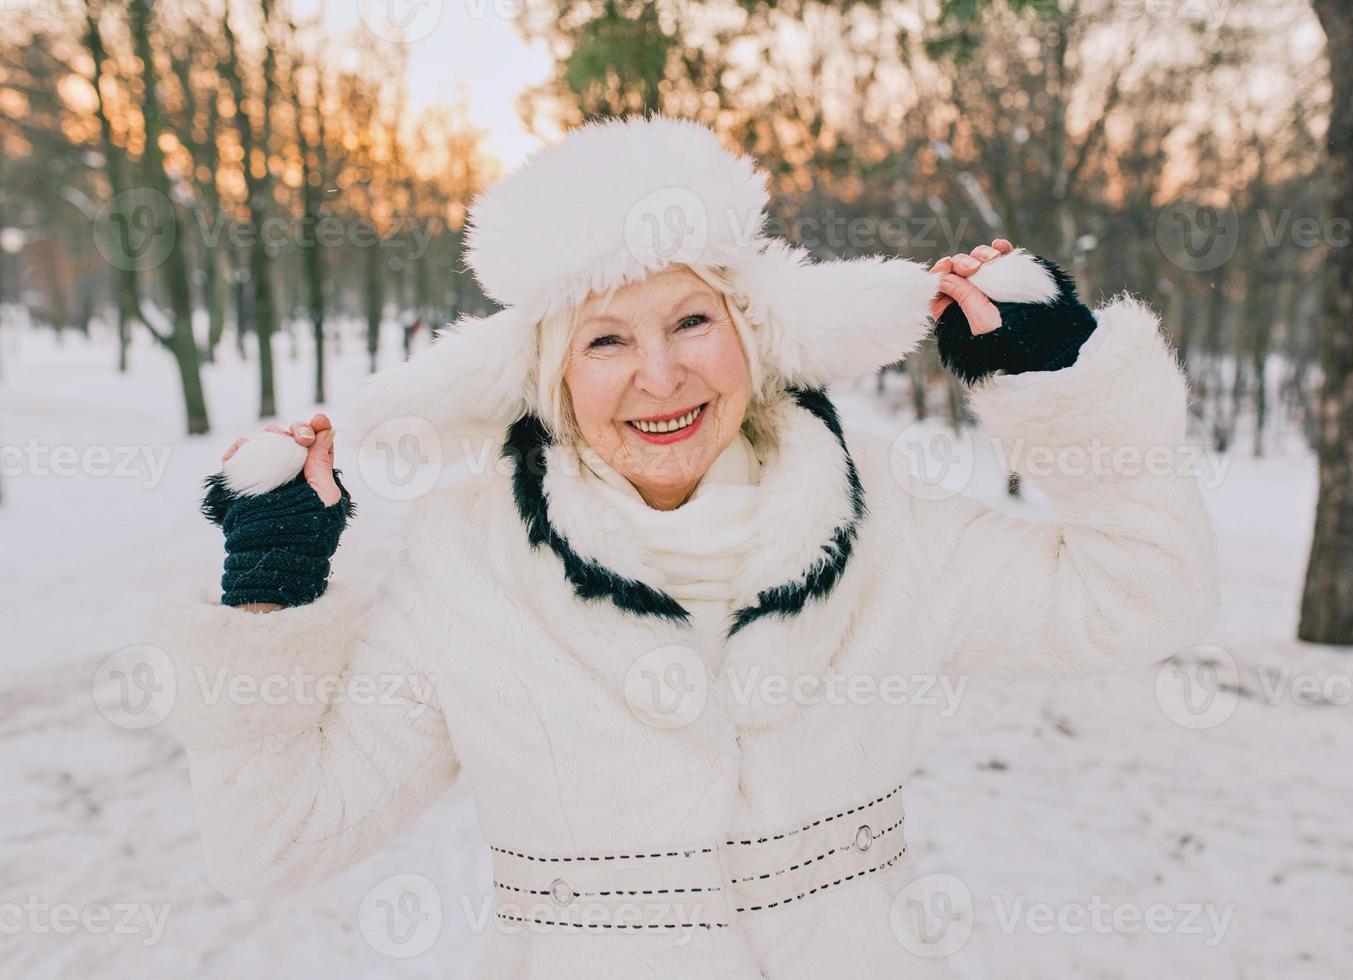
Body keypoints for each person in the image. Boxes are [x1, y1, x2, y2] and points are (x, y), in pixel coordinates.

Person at [150, 114, 1219, 979]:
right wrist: (270, 592)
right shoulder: (466, 564)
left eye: (692, 322)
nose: (660, 376)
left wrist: (1058, 382)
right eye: (606, 339)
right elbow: (274, 839)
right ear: (549, 374)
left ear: (751, 334)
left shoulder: (888, 517)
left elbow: (1140, 594)